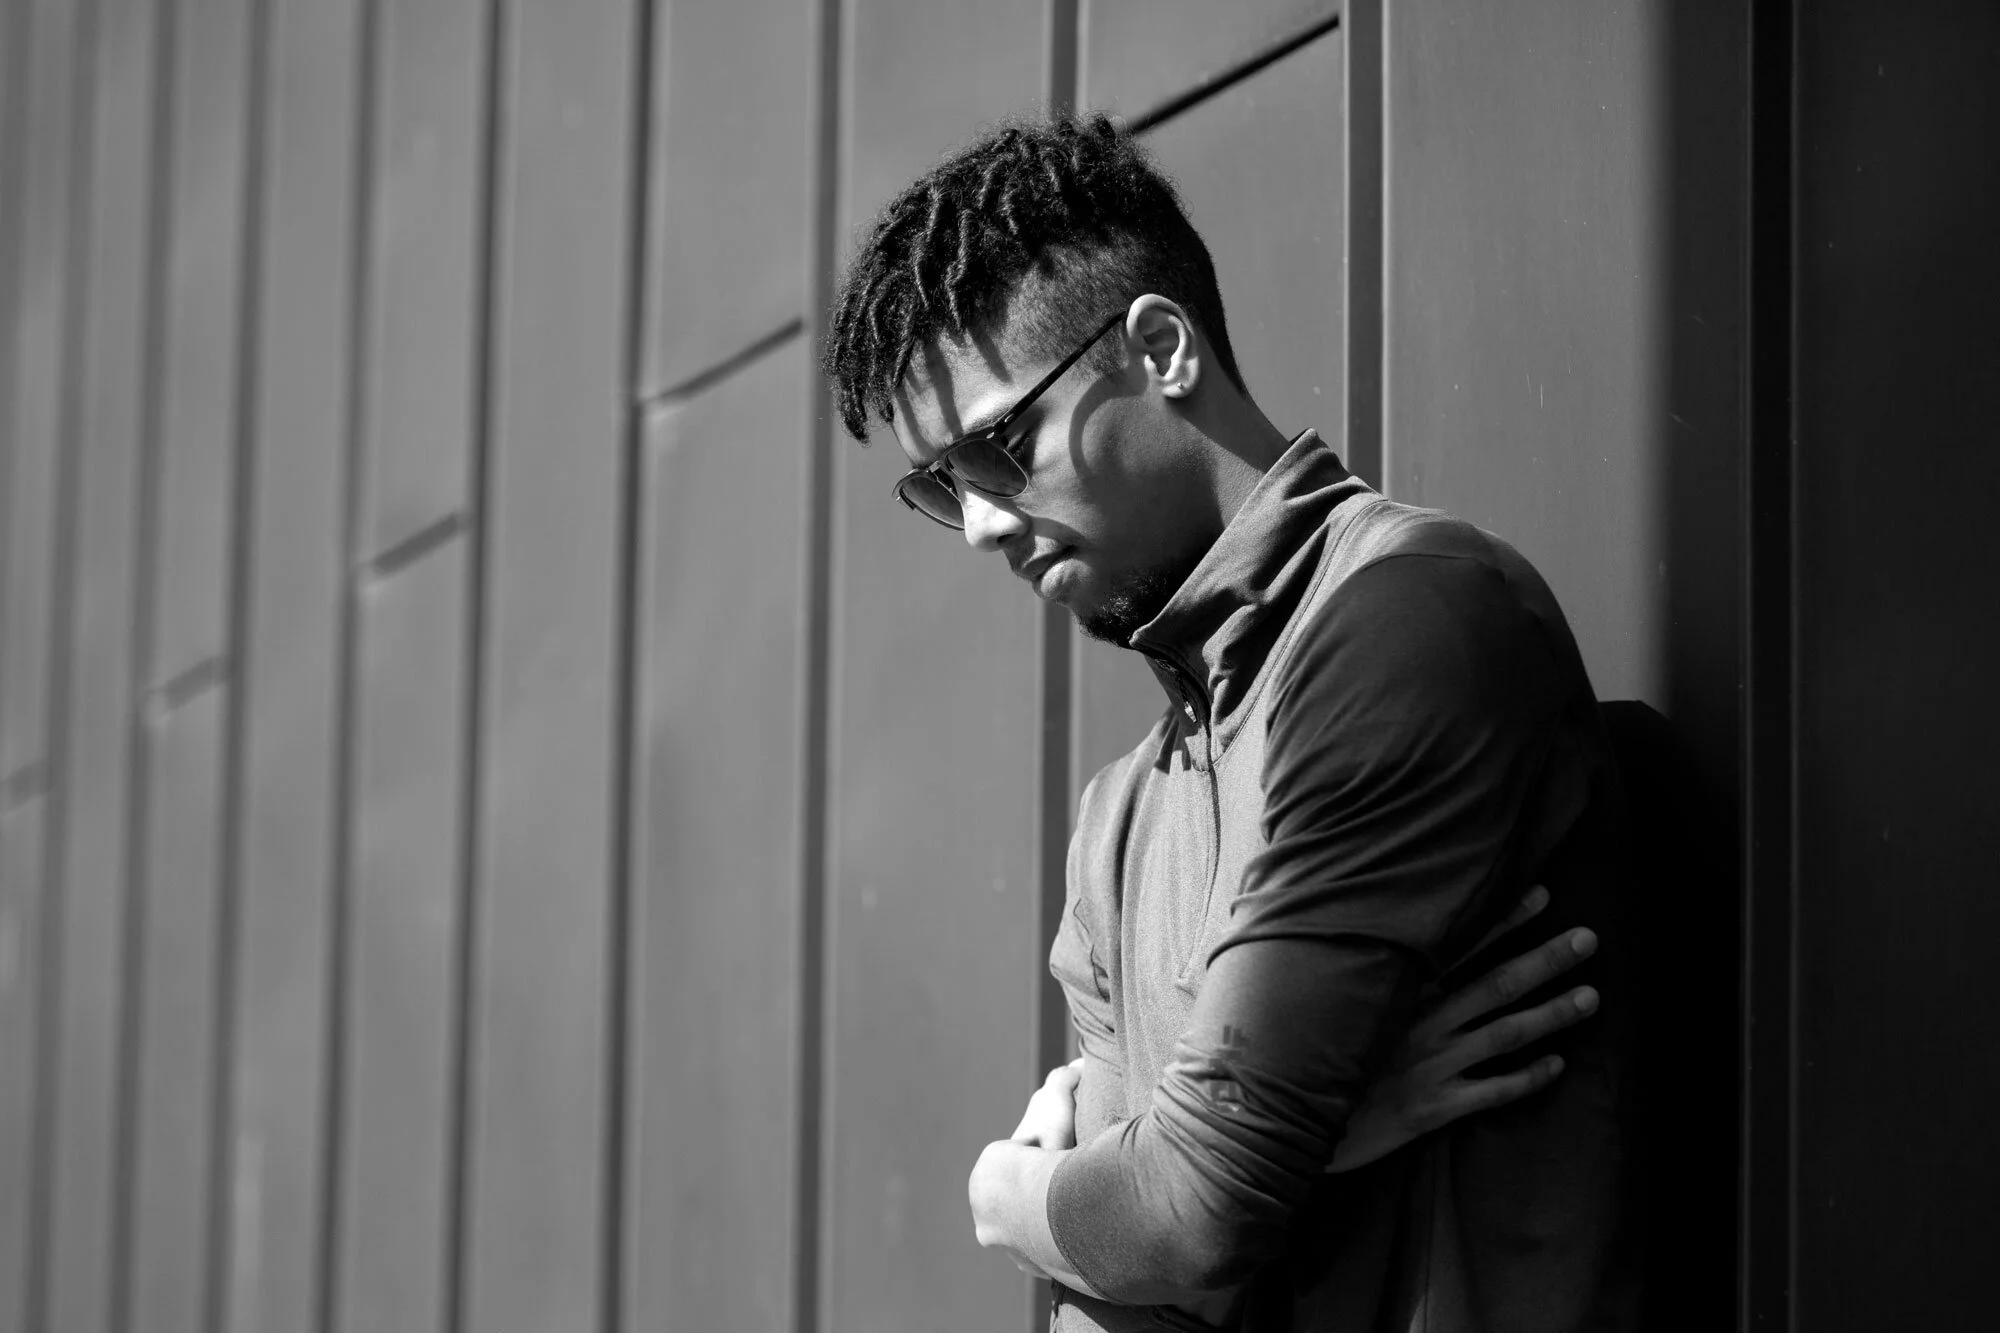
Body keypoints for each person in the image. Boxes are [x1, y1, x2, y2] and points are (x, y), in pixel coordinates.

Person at [821, 114, 1641, 1331]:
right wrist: (1276, 1152)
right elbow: (1120, 1294)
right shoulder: (1117, 826)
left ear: (1159, 349)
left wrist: (1013, 1195)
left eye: (996, 449)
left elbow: (1189, 1214)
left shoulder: (1403, 624)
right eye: (941, 485)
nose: (982, 523)